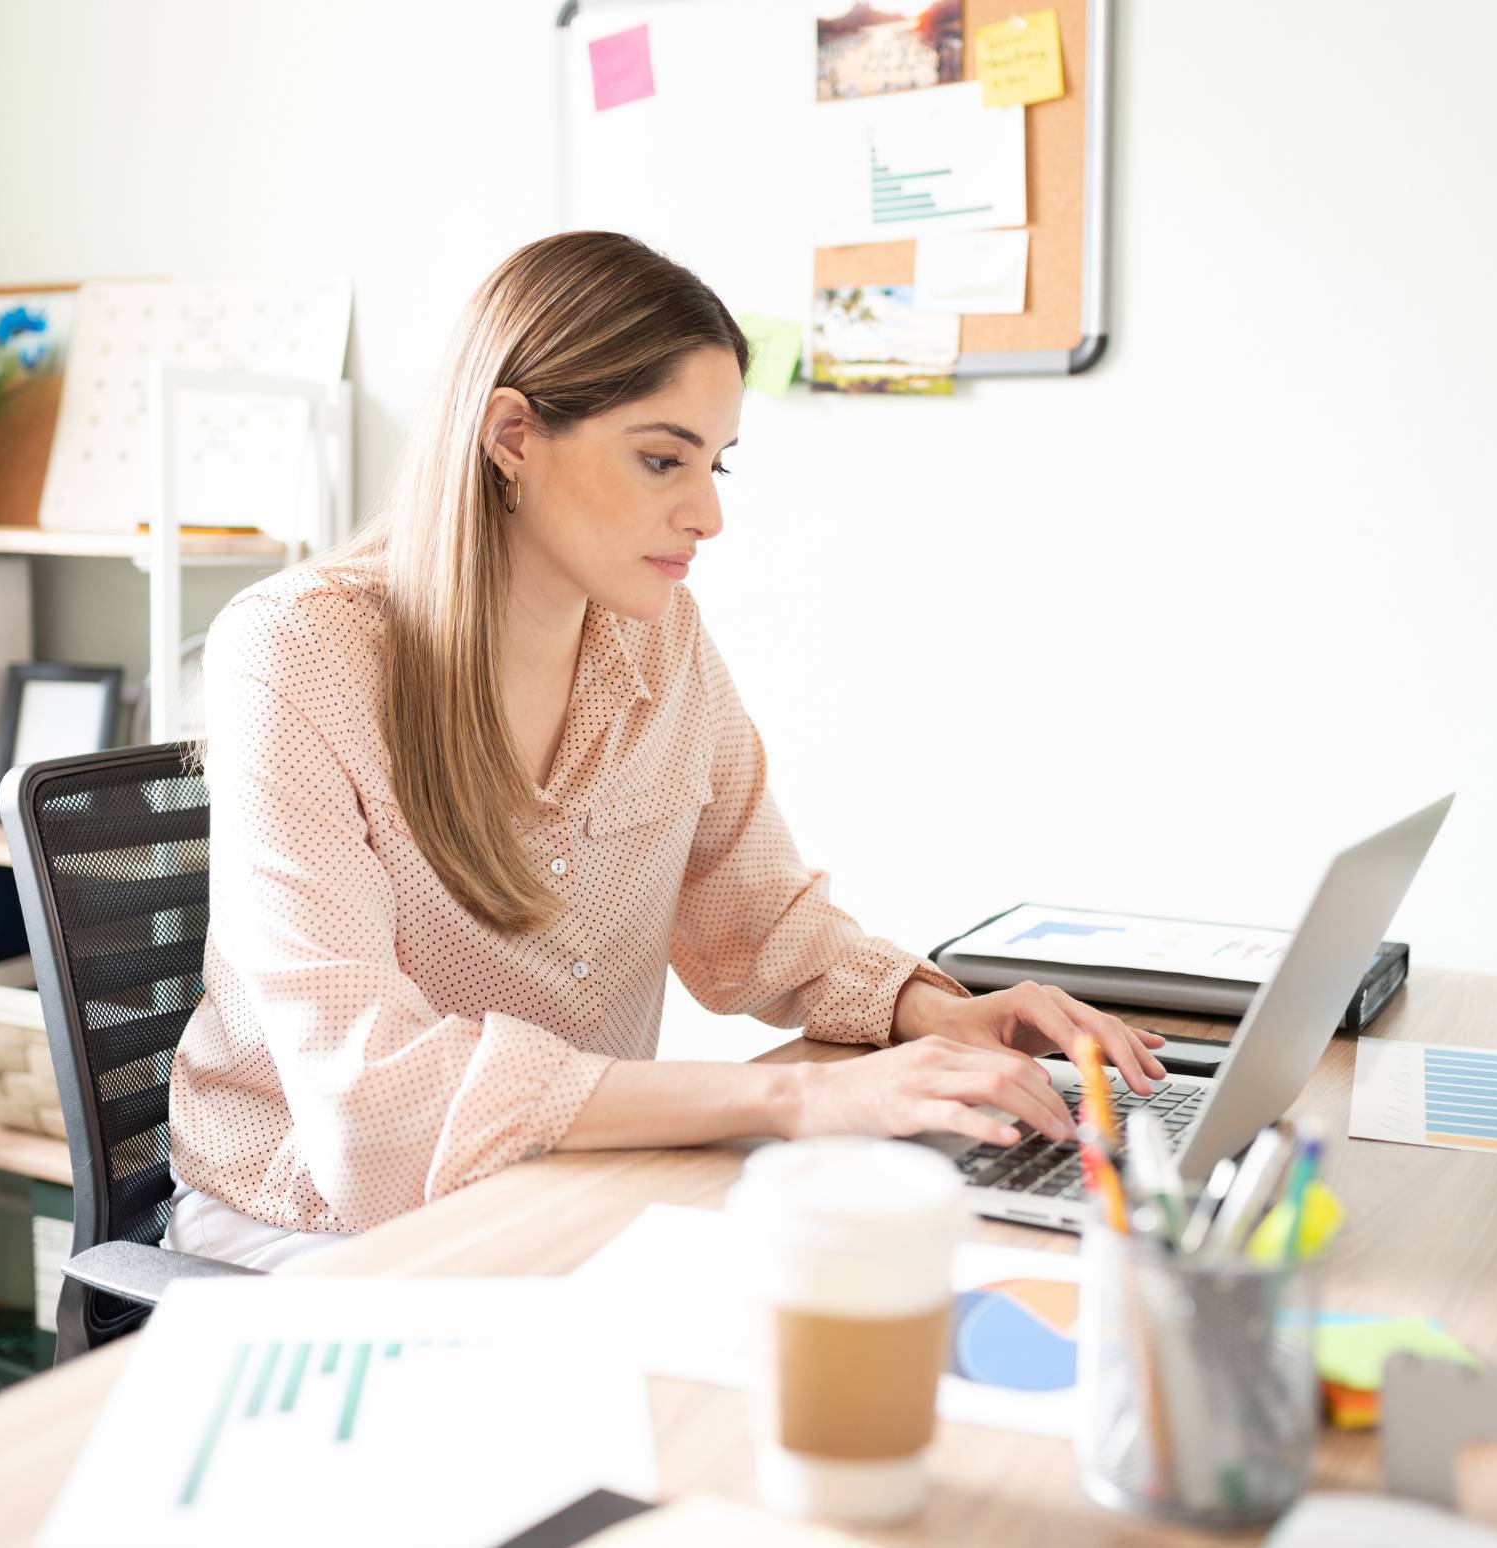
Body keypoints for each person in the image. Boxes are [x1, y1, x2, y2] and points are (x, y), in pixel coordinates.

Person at [164, 231, 1165, 1268]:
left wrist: (934, 1016)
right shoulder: (293, 652)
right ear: (510, 435)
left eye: (714, 462)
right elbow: (369, 1107)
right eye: (661, 459)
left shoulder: (657, 635)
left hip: (565, 1187)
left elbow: (756, 917)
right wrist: (801, 1094)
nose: (709, 513)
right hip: (310, 1229)